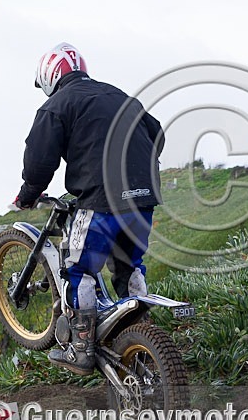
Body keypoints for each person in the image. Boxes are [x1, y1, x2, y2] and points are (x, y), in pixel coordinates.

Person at [14, 42, 165, 375]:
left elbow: (40, 160)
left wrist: (28, 195)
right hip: (142, 200)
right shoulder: (120, 96)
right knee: (130, 265)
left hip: (100, 202)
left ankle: (81, 349)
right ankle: (140, 335)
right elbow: (156, 134)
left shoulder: (56, 106)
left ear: (50, 77)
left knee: (78, 270)